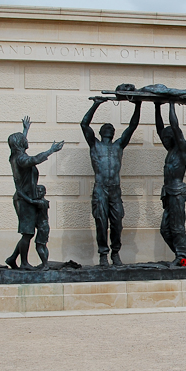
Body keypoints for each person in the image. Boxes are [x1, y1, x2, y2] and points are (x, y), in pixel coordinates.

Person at [81, 97, 141, 267]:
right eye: (106, 127)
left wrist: (138, 104)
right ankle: (103, 254)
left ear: (113, 133)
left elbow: (132, 126)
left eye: (111, 128)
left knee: (117, 223)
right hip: (100, 189)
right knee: (101, 222)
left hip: (115, 190)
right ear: (101, 132)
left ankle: (115, 252)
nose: (109, 129)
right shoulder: (94, 145)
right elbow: (84, 125)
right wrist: (96, 104)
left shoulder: (118, 146)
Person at [6, 116, 63, 270]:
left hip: (25, 198)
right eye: (23, 140)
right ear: (20, 144)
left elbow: (20, 145)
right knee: (27, 233)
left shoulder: (15, 155)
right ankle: (23, 263)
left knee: (28, 233)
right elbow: (34, 160)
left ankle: (12, 259)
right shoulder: (21, 159)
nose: (26, 141)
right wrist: (51, 150)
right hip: (25, 199)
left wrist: (25, 130)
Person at [156, 101, 186, 265]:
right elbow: (159, 129)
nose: (164, 141)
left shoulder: (182, 149)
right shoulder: (170, 151)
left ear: (173, 138)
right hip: (168, 193)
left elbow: (175, 126)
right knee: (165, 229)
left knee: (177, 227)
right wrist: (157, 106)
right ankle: (180, 254)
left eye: (166, 138)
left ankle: (182, 257)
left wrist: (171, 104)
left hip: (177, 192)